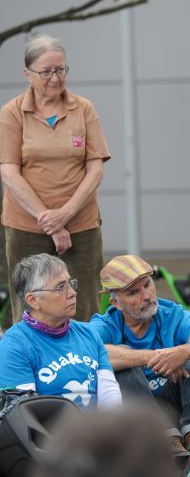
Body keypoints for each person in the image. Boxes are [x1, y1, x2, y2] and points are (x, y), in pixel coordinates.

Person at [88, 255, 190, 477]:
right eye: (133, 292)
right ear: (115, 302)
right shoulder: (104, 324)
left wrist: (183, 352)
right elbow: (90, 353)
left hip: (180, 410)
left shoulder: (172, 314)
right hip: (142, 423)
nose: (146, 295)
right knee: (123, 369)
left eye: (147, 284)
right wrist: (151, 357)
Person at [0, 35, 111, 322]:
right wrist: (48, 220)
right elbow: (9, 172)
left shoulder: (83, 108)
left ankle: (87, 363)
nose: (55, 77)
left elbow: (95, 169)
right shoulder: (12, 113)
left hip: (80, 225)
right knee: (30, 303)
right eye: (46, 71)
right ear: (28, 74)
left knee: (85, 300)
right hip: (26, 226)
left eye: (61, 70)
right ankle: (29, 364)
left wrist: (65, 215)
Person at [0, 253, 120, 409]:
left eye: (70, 284)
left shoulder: (89, 334)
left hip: (97, 430)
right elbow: (24, 415)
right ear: (33, 300)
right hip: (48, 432)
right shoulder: (14, 345)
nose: (73, 293)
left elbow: (111, 399)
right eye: (61, 287)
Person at [27, 408, 184, 477]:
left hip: (85, 429)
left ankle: (188, 456)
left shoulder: (95, 352)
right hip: (70, 430)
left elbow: (111, 397)